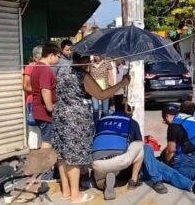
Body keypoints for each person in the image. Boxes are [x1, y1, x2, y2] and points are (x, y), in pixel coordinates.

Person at [52, 53, 131, 203]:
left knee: (62, 155)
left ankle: (66, 191)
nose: (89, 64)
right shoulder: (82, 75)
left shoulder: (62, 70)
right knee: (74, 157)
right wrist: (123, 83)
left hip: (60, 113)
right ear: (82, 60)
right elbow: (101, 95)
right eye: (87, 61)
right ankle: (76, 195)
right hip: (74, 117)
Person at [91, 103, 144, 200]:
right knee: (139, 145)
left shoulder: (102, 120)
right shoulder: (131, 121)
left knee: (99, 183)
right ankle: (134, 180)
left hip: (97, 162)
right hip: (118, 160)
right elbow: (138, 140)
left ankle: (104, 184)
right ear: (129, 112)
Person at [31, 43, 60, 149]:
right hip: (44, 112)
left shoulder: (37, 67)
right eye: (58, 56)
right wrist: (50, 107)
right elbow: (45, 89)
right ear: (51, 55)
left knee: (47, 138)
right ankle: (45, 165)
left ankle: (49, 164)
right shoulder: (45, 69)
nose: (59, 60)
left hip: (39, 110)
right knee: (48, 141)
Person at [22, 45, 43, 150]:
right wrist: (41, 90)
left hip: (44, 102)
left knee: (42, 129)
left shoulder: (45, 67)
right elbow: (26, 86)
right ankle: (34, 153)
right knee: (34, 130)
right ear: (35, 58)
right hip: (33, 102)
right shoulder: (30, 67)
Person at [89, 55, 113, 122]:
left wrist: (111, 86)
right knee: (95, 108)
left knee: (105, 109)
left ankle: (103, 123)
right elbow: (88, 75)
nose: (96, 57)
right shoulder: (91, 63)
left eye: (97, 55)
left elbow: (111, 75)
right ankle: (96, 125)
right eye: (95, 55)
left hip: (105, 89)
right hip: (94, 90)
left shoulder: (107, 62)